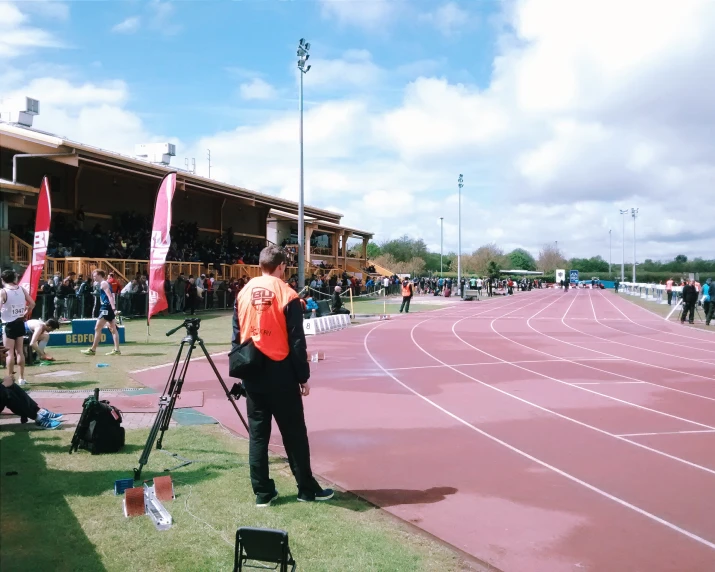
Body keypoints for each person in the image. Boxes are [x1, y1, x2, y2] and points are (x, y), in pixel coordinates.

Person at [232, 246, 333, 507]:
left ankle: (263, 493)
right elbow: (297, 342)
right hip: (281, 373)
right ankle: (306, 489)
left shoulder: (242, 294)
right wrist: (303, 377)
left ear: (261, 265)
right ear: (282, 267)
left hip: (252, 371)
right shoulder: (287, 294)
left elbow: (236, 337)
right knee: (294, 434)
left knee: (258, 436)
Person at [1, 269, 35, 386]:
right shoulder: (21, 289)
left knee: (9, 353)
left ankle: (10, 378)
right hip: (20, 322)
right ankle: (22, 377)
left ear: (3, 279)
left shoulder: (3, 291)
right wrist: (26, 313)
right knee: (20, 351)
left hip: (8, 324)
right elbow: (32, 303)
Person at [81, 269, 121, 356]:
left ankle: (93, 349)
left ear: (99, 275)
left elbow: (110, 296)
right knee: (113, 329)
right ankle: (117, 350)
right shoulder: (103, 283)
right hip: (108, 307)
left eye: (95, 275)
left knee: (97, 328)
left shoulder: (104, 283)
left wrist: (114, 309)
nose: (93, 277)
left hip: (106, 307)